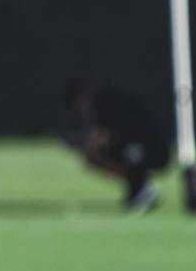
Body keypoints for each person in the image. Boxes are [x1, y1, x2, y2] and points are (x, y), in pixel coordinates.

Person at [63, 80, 168, 213]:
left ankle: (142, 187)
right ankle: (139, 187)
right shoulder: (107, 99)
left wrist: (85, 147)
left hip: (153, 150)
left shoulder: (104, 102)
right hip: (144, 146)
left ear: (80, 97)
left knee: (96, 155)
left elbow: (98, 140)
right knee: (101, 154)